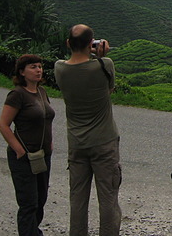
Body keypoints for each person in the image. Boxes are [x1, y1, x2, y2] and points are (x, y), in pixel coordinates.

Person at [54, 24, 121, 236]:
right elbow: (109, 89)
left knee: (77, 199)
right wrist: (100, 56)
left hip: (76, 143)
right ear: (92, 44)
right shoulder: (104, 65)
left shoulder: (59, 68)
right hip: (104, 142)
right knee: (108, 198)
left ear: (68, 44)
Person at [0, 54, 56, 236]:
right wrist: (19, 149)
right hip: (25, 158)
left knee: (41, 199)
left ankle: (33, 231)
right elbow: (3, 125)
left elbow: (46, 119)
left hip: (43, 155)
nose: (38, 70)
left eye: (39, 66)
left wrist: (50, 143)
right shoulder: (17, 95)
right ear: (22, 72)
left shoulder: (42, 92)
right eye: (33, 67)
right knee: (28, 202)